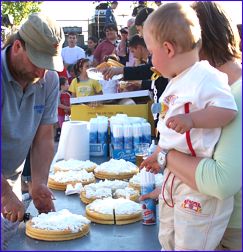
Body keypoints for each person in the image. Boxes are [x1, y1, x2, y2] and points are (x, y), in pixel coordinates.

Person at [141, 3, 237, 251]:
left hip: (200, 191)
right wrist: (159, 154)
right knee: (169, 238)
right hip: (179, 180)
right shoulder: (178, 80)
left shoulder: (208, 78)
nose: (150, 60)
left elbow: (227, 111)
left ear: (169, 48)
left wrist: (193, 120)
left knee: (189, 243)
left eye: (151, 52)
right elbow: (171, 132)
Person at [1, 13, 64, 250]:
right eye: (38, 62)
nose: (42, 72)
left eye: (48, 65)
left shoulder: (48, 80)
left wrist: (38, 182)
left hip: (10, 182)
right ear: (17, 46)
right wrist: (5, 194)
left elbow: (44, 137)